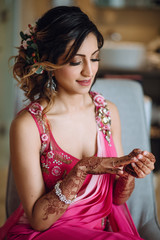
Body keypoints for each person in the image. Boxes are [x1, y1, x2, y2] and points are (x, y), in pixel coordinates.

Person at [0, 6, 155, 240]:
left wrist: (129, 173)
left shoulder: (107, 112)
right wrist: (82, 168)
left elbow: (116, 199)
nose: (89, 71)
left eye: (95, 58)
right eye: (75, 62)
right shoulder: (28, 126)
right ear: (48, 62)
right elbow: (38, 221)